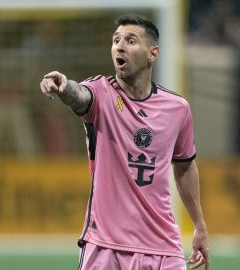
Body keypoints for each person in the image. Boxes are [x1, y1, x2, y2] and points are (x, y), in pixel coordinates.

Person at [39, 14, 209, 270]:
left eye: (131, 41)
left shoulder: (177, 108)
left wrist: (199, 226)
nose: (119, 46)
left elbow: (185, 166)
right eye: (116, 40)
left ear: (153, 53)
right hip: (105, 246)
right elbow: (80, 96)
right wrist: (65, 88)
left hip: (163, 247)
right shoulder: (101, 92)